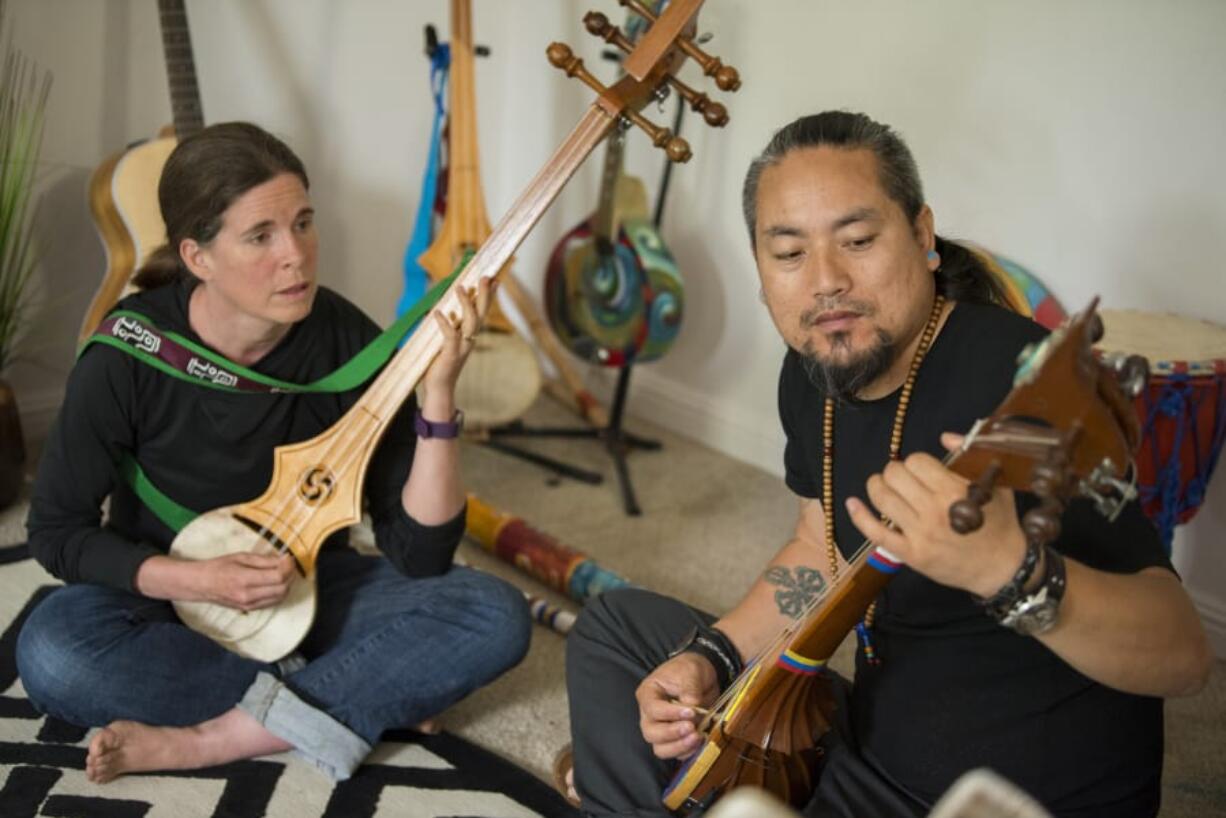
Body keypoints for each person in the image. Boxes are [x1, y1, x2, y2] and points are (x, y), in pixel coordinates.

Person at [561, 111, 1212, 818]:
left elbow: (1183, 655)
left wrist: (1008, 569)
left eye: (859, 241)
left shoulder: (1017, 388)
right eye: (789, 254)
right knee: (615, 632)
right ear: (760, 270)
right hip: (862, 755)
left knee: (649, 776)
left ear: (923, 237)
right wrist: (711, 660)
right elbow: (820, 545)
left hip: (996, 801)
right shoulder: (814, 368)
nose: (826, 282)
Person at [17, 121, 532, 783]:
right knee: (54, 653)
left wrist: (437, 394)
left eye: (304, 223)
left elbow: (420, 552)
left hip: (309, 589)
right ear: (197, 257)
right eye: (260, 236)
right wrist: (198, 580)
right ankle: (362, 693)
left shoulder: (348, 341)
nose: (296, 255)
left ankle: (219, 738)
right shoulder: (128, 355)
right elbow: (57, 532)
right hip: (162, 595)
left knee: (494, 615)